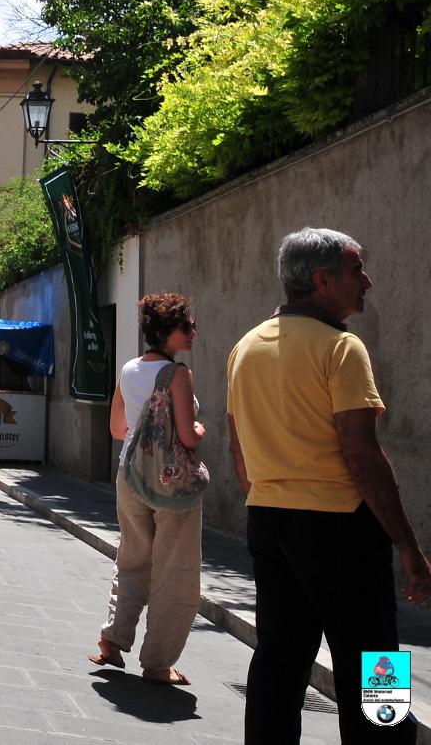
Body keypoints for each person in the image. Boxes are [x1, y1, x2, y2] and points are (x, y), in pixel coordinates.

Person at [227, 228, 430, 743]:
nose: (368, 280)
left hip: (268, 518)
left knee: (280, 656)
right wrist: (409, 547)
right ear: (322, 280)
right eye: (355, 269)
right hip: (340, 525)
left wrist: (269, 498)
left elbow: (237, 450)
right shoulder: (341, 348)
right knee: (376, 657)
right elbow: (362, 455)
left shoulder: (245, 347)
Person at [89, 293, 204, 686]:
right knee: (176, 571)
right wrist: (201, 429)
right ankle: (157, 663)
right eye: (187, 326)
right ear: (168, 332)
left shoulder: (128, 369)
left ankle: (112, 640)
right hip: (171, 485)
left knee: (133, 559)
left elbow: (117, 430)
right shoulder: (178, 374)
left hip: (130, 476)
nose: (193, 332)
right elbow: (188, 437)